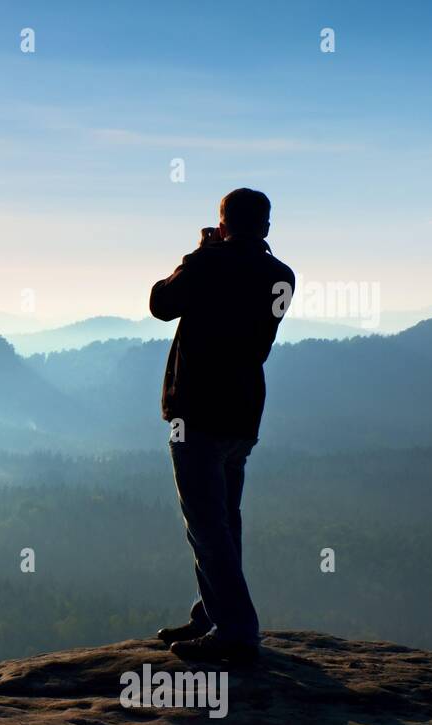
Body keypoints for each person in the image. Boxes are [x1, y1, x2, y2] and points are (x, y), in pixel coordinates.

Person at [148, 188, 295, 663]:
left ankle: (235, 630)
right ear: (267, 227)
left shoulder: (207, 264)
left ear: (224, 223)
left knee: (207, 525)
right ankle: (211, 614)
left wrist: (200, 252)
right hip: (243, 413)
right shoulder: (281, 277)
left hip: (196, 412)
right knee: (224, 520)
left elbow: (161, 303)